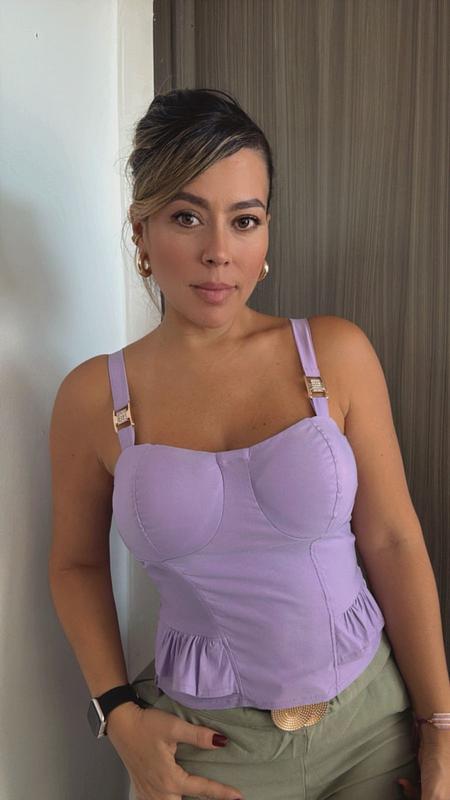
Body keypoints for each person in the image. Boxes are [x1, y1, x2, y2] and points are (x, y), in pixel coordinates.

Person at [48, 88, 450, 800]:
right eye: (186, 217)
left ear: (266, 235)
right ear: (141, 232)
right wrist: (118, 716)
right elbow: (76, 564)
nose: (218, 253)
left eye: (244, 220)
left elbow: (392, 540)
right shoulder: (93, 398)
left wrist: (441, 728)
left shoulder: (334, 354)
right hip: (208, 753)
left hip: (373, 731)